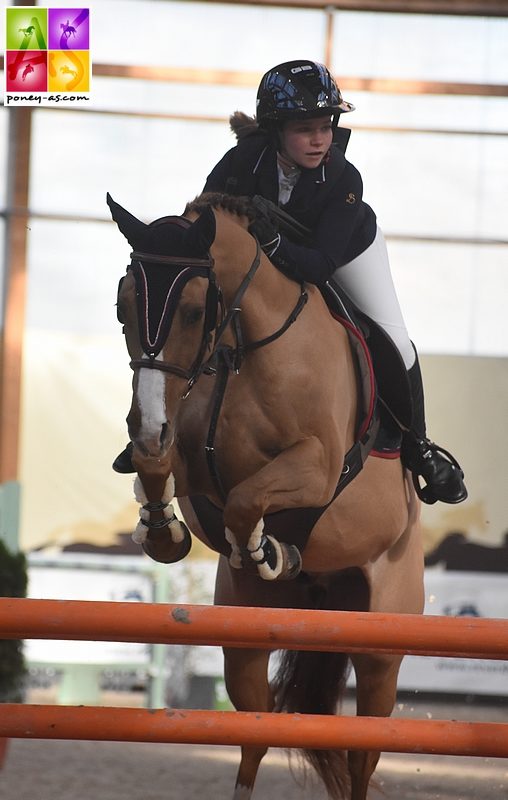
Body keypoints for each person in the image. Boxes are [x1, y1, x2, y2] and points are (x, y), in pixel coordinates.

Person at [113, 59, 466, 506]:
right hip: (269, 257)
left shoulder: (343, 178)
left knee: (396, 341)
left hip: (344, 254)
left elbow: (318, 265)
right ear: (276, 129)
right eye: (305, 129)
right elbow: (204, 227)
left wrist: (271, 243)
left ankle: (419, 447)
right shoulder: (242, 161)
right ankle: (157, 428)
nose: (320, 140)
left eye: (325, 126)